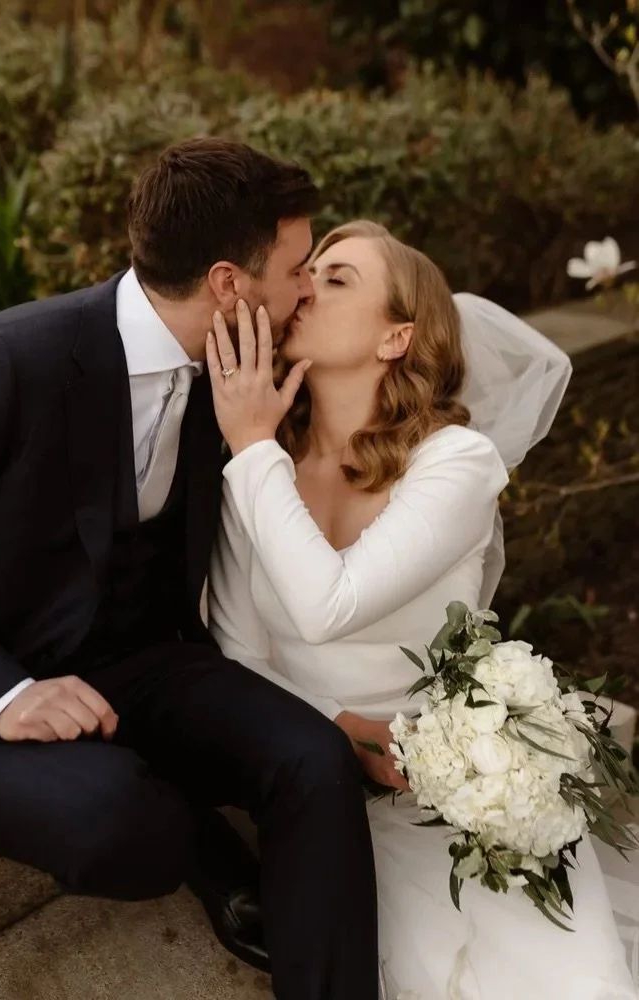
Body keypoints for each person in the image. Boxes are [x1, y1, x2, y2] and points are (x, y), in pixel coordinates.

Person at [0, 140, 381, 1000]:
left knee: (313, 759)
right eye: (301, 267)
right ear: (229, 282)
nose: (308, 286)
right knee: (128, 825)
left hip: (140, 658)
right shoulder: (5, 362)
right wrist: (7, 697)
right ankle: (191, 835)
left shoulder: (241, 371)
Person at [207, 220, 639, 999]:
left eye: (338, 279)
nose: (307, 287)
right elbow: (234, 647)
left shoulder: (455, 463)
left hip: (441, 793)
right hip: (311, 778)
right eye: (309, 273)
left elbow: (326, 607)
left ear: (396, 337)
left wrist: (250, 448)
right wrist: (335, 726)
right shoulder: (263, 461)